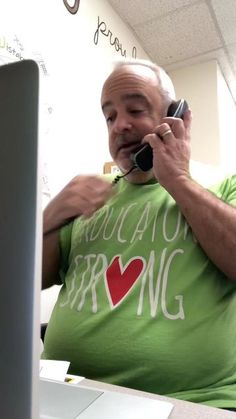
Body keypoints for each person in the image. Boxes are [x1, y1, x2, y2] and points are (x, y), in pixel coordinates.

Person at [42, 58, 236, 411]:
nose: (120, 126)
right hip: (65, 392)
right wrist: (47, 218)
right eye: (110, 116)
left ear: (175, 116)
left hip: (188, 401)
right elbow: (24, 281)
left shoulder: (222, 186)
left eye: (135, 109)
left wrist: (176, 178)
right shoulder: (86, 194)